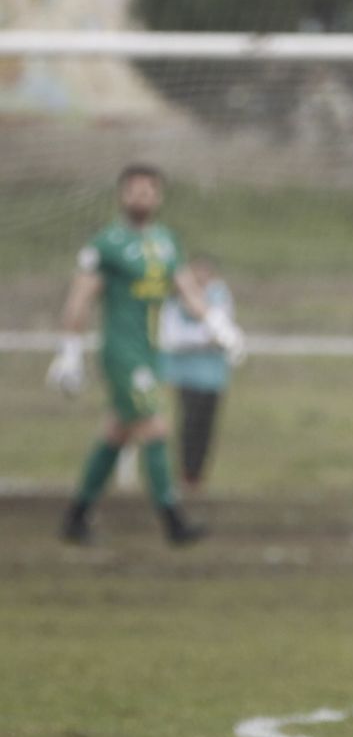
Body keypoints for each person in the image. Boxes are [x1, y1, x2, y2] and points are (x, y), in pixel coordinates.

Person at [49, 164, 243, 545]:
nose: (141, 197)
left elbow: (186, 289)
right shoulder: (106, 245)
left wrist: (220, 327)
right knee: (154, 428)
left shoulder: (166, 242)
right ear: (122, 195)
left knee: (116, 433)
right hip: (123, 354)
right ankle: (174, 523)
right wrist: (69, 353)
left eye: (148, 191)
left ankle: (76, 518)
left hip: (151, 353)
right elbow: (80, 300)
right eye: (134, 190)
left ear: (159, 197)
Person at [158, 255, 237, 499]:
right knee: (187, 424)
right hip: (186, 374)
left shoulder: (218, 294)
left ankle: (196, 477)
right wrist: (207, 339)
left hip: (213, 376)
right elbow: (173, 336)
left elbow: (224, 330)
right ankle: (180, 477)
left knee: (206, 425)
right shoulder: (174, 298)